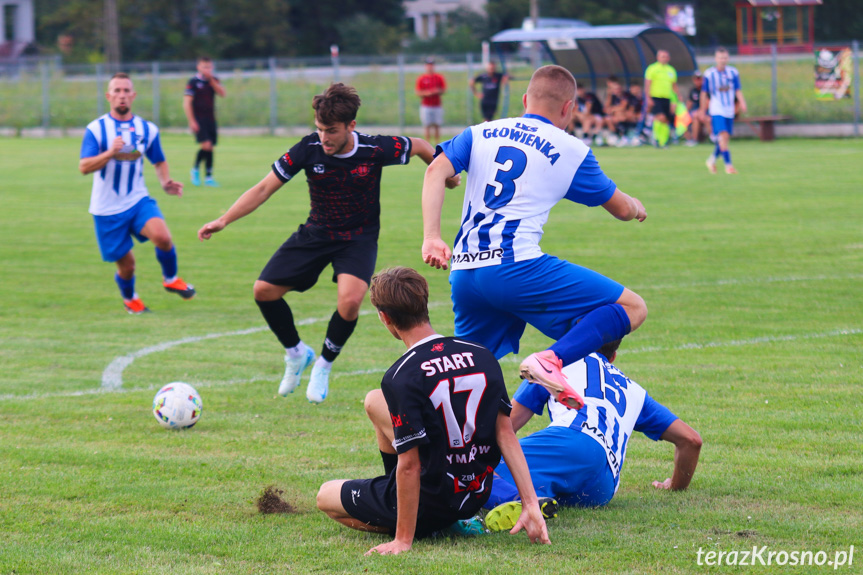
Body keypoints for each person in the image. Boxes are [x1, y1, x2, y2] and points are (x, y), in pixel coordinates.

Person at [197, 84, 459, 404]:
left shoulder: (374, 149)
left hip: (358, 238)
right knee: (263, 291)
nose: (324, 138)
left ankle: (324, 364)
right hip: (316, 233)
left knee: (350, 301)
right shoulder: (307, 148)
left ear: (351, 126)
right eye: (319, 129)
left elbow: (418, 145)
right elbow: (265, 188)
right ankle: (296, 354)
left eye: (331, 131)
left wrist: (446, 173)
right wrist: (224, 219)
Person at [422, 65, 648, 413]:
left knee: (465, 380)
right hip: (516, 268)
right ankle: (551, 362)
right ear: (568, 108)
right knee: (630, 309)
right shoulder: (571, 149)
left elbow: (436, 170)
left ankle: (439, 451)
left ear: (525, 99)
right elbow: (619, 208)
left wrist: (432, 237)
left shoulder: (481, 132)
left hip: (465, 271)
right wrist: (636, 206)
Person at [315, 266, 550, 555]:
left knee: (325, 497)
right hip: (474, 493)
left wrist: (403, 540)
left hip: (434, 499)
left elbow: (411, 465)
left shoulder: (401, 375)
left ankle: (415, 521)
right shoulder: (481, 354)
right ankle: (403, 500)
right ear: (424, 304)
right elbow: (505, 434)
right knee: (374, 400)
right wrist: (530, 504)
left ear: (385, 318)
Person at [482, 337, 702, 527]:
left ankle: (518, 501)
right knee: (540, 475)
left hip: (575, 442)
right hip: (603, 487)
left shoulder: (554, 365)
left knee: (471, 469)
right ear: (613, 356)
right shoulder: (635, 390)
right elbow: (691, 440)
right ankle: (538, 498)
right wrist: (675, 485)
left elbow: (505, 428)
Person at [79, 72, 195, 315]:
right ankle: (131, 299)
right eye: (117, 91)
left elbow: (159, 160)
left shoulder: (147, 129)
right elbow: (84, 167)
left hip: (137, 200)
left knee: (163, 237)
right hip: (106, 209)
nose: (122, 95)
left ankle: (171, 278)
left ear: (133, 95)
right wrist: (110, 152)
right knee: (127, 267)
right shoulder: (96, 129)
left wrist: (165, 183)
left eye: (126, 91)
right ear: (108, 96)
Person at [701, 47, 747, 174]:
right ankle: (729, 166)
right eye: (720, 58)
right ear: (716, 59)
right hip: (717, 109)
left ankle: (712, 160)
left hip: (729, 109)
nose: (723, 60)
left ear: (728, 58)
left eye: (725, 57)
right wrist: (702, 109)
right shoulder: (709, 74)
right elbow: (704, 93)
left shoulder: (733, 72)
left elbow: (737, 90)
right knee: (724, 135)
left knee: (724, 139)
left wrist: (742, 102)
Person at [184, 56, 226, 187]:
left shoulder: (214, 81)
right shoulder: (193, 82)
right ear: (198, 67)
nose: (207, 69)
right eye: (204, 67)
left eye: (209, 67)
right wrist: (191, 121)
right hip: (198, 119)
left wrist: (212, 81)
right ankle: (195, 169)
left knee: (210, 147)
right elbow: (187, 103)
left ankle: (208, 177)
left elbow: (222, 93)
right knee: (206, 145)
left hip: (211, 119)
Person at [644, 50, 681, 148]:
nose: (664, 58)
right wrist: (648, 98)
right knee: (660, 117)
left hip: (667, 98)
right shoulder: (652, 68)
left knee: (666, 120)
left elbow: (674, 85)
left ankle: (663, 141)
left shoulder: (671, 70)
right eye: (662, 56)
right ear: (658, 57)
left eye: (666, 56)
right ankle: (656, 138)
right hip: (656, 97)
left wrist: (677, 98)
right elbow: (648, 84)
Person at [415, 57, 447, 144]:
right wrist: (426, 93)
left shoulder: (438, 77)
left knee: (437, 125)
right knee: (427, 125)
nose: (430, 67)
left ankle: (437, 143)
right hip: (426, 105)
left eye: (431, 65)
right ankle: (427, 143)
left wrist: (436, 91)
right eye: (428, 65)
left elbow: (443, 89)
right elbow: (418, 92)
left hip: (437, 105)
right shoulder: (422, 78)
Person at [685, 70, 708, 146]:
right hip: (695, 112)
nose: (698, 81)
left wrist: (701, 111)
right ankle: (691, 139)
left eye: (700, 79)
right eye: (696, 79)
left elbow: (708, 103)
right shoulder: (693, 90)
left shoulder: (707, 90)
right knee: (684, 119)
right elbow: (689, 103)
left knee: (699, 117)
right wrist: (684, 114)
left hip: (706, 112)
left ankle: (711, 138)